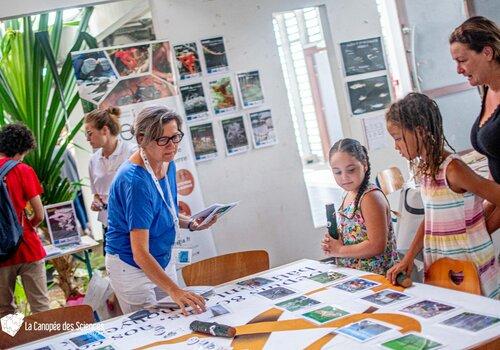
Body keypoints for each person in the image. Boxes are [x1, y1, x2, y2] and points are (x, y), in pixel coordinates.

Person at [385, 93, 499, 299]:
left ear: (419, 132)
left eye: (398, 138)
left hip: (469, 267)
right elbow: (430, 218)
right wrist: (408, 258)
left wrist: (481, 230)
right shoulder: (425, 170)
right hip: (440, 265)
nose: (396, 146)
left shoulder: (453, 169)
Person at [105, 106, 216, 315]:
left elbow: (165, 211)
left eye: (175, 137)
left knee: (179, 317)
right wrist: (174, 290)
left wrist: (191, 223)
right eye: (163, 140)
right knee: (151, 329)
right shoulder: (135, 181)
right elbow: (139, 252)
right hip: (131, 266)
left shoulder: (167, 162)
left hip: (161, 259)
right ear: (141, 139)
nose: (172, 146)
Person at [449, 16, 500, 233]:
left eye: (462, 60)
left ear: (487, 53)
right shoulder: (488, 89)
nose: (458, 70)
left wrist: (479, 236)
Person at [321, 138, 399, 275]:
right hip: (355, 276)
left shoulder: (370, 197)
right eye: (337, 172)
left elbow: (376, 245)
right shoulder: (349, 193)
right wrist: (335, 242)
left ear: (365, 165)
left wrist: (339, 250)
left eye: (351, 170)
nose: (344, 177)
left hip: (377, 277)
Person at [0, 123, 50, 317]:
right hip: (27, 247)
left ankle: (15, 344)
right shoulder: (23, 170)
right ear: (21, 149)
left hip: (1, 255)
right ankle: (48, 344)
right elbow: (39, 214)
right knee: (40, 306)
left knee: (5, 310)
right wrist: (26, 228)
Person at [84, 107, 135, 253]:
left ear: (105, 130)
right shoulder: (93, 160)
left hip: (134, 223)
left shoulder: (131, 152)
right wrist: (97, 203)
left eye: (89, 134)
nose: (87, 139)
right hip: (110, 225)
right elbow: (97, 195)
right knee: (114, 268)